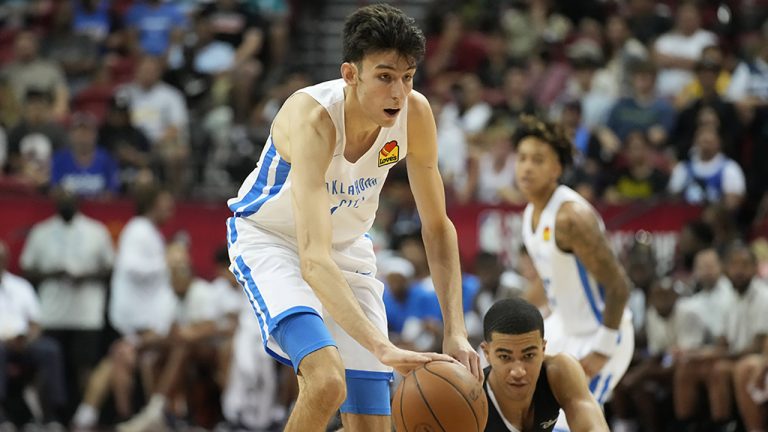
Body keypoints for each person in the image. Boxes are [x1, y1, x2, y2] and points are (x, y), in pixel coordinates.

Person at [225, 5, 479, 432]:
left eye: (407, 76)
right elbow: (312, 260)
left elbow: (437, 227)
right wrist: (381, 345)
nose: (398, 92)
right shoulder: (314, 120)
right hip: (274, 242)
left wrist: (456, 328)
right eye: (384, 76)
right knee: (326, 382)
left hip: (346, 250)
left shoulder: (415, 115)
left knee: (370, 426)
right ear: (350, 74)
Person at [514, 115, 633, 431]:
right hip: (564, 329)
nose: (527, 167)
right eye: (523, 158)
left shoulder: (571, 218)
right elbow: (547, 281)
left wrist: (602, 350)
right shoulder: (530, 214)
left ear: (557, 169)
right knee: (526, 411)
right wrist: (509, 319)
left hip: (603, 331)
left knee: (576, 422)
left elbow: (619, 286)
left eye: (538, 160)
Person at [481, 297, 609, 432]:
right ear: (486, 353)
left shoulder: (559, 371)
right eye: (505, 357)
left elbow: (593, 427)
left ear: (543, 350)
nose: (518, 371)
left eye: (528, 355)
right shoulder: (470, 398)